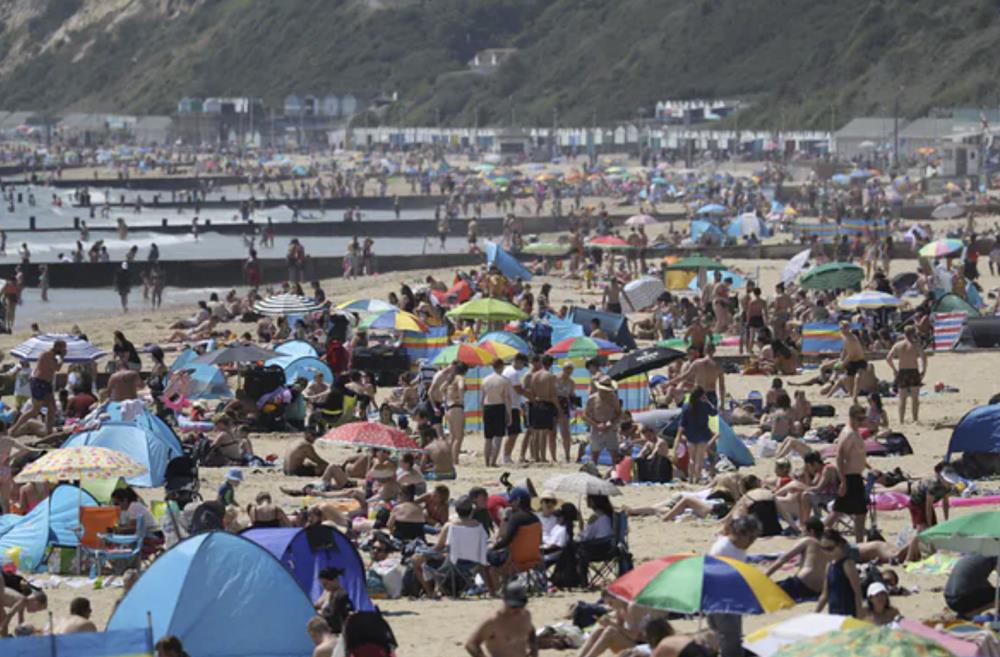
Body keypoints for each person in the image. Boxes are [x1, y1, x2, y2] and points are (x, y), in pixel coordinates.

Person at [708, 516, 761, 657]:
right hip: (721, 599)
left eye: (754, 539)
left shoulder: (739, 547)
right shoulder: (723, 549)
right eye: (750, 538)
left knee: (728, 637)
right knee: (729, 639)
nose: (751, 542)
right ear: (738, 532)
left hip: (732, 597)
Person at [827, 405, 869, 543]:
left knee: (860, 513)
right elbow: (839, 457)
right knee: (838, 512)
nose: (862, 422)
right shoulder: (849, 433)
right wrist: (843, 481)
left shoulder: (855, 432)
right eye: (859, 419)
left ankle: (859, 542)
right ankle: (815, 534)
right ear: (851, 417)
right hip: (849, 478)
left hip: (855, 477)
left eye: (863, 418)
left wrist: (869, 467)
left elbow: (858, 455)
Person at [464, 582, 538, 657]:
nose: (517, 609)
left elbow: (531, 630)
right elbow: (471, 644)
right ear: (504, 600)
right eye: (513, 606)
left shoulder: (525, 615)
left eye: (520, 605)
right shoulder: (493, 621)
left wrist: (533, 649)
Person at [9, 339, 65, 436]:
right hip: (39, 383)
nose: (64, 350)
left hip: (47, 384)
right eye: (63, 348)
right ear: (57, 347)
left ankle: (49, 431)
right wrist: (62, 357)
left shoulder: (54, 356)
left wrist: (60, 357)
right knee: (35, 410)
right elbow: (57, 368)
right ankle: (13, 429)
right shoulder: (47, 355)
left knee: (52, 408)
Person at [765, 518, 829, 602]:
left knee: (766, 592)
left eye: (804, 531)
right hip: (818, 589)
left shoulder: (809, 540)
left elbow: (783, 559)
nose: (802, 534)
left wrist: (765, 576)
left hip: (803, 583)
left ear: (811, 532)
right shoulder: (827, 546)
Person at [816, 529, 864, 619]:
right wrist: (814, 614)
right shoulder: (829, 565)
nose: (826, 552)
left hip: (848, 614)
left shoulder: (847, 564)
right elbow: (824, 595)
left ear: (839, 545)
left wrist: (859, 616)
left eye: (830, 549)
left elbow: (857, 592)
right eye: (823, 549)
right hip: (833, 614)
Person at [885, 325, 927, 424]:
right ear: (913, 334)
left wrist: (894, 369)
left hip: (902, 371)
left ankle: (901, 420)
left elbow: (888, 358)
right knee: (915, 398)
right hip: (913, 371)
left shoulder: (898, 345)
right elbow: (924, 358)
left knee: (902, 398)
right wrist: (923, 370)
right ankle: (915, 419)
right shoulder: (916, 345)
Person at [678, 386, 716, 483]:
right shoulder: (704, 405)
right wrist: (708, 401)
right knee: (699, 458)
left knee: (691, 458)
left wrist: (680, 435)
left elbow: (682, 423)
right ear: (702, 395)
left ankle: (690, 478)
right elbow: (714, 412)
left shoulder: (686, 406)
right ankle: (697, 478)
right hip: (703, 434)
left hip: (690, 435)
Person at [583, 376, 623, 464]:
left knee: (615, 453)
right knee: (595, 454)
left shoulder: (613, 398)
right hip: (596, 428)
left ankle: (615, 473)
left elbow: (619, 413)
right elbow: (585, 416)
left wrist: (611, 423)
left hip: (610, 428)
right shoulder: (592, 399)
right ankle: (594, 473)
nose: (605, 393)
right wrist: (596, 425)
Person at [481, 359, 513, 468]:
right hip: (498, 406)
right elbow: (506, 398)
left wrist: (482, 411)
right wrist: (509, 414)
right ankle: (493, 461)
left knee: (488, 437)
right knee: (498, 436)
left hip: (487, 407)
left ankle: (486, 462)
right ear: (501, 366)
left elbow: (482, 398)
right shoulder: (504, 381)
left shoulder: (485, 380)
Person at [526, 354, 559, 463]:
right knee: (544, 432)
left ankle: (536, 456)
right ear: (551, 364)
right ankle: (543, 457)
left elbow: (531, 392)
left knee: (535, 432)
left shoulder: (534, 375)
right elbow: (553, 394)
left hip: (536, 402)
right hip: (546, 403)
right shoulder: (550, 376)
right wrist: (558, 408)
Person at [945, 554, 998, 618]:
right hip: (962, 598)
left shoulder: (976, 554)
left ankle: (966, 614)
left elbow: (976, 580)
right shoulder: (996, 554)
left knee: (991, 593)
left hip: (949, 598)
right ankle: (971, 614)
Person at [315, 567, 353, 635]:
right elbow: (317, 604)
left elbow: (333, 616)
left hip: (337, 632)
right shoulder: (327, 592)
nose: (324, 587)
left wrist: (320, 613)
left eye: (326, 584)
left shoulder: (340, 595)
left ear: (335, 580)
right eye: (323, 585)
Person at [839, 322, 867, 404]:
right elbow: (845, 349)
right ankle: (852, 395)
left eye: (844, 327)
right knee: (848, 380)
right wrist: (841, 359)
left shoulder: (852, 338)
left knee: (857, 378)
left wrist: (843, 363)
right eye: (841, 327)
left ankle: (855, 397)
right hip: (851, 361)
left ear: (848, 328)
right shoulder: (843, 336)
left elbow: (851, 354)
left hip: (859, 360)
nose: (842, 329)